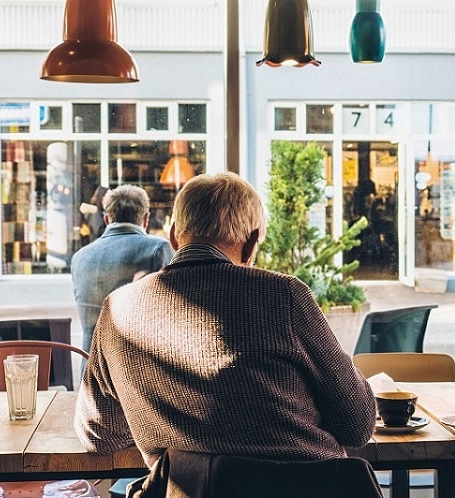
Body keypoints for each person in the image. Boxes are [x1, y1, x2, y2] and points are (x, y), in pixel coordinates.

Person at [74, 172, 376, 469]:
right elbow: (357, 424)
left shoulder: (118, 310)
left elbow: (99, 435)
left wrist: (159, 415)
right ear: (252, 242)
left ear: (174, 236)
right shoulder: (284, 296)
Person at [70, 184, 174, 353]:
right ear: (146, 218)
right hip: (135, 368)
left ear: (106, 219)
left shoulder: (79, 257)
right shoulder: (158, 249)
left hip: (90, 370)